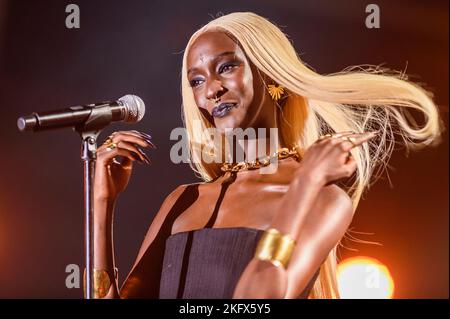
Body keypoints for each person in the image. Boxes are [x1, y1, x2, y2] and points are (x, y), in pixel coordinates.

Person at [91, 12, 443, 299]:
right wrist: (102, 204)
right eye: (196, 81)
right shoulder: (182, 201)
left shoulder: (324, 199)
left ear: (271, 75)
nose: (211, 90)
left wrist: (305, 183)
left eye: (227, 67)